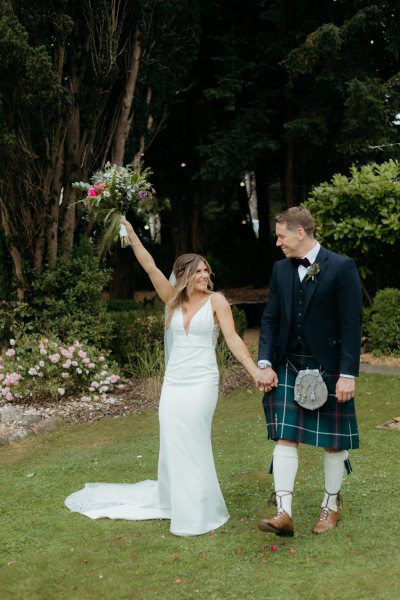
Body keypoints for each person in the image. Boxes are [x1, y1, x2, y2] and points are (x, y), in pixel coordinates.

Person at [65, 218, 258, 536]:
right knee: (172, 441)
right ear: (184, 276)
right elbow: (149, 265)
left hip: (202, 382)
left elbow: (234, 339)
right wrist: (129, 232)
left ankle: (199, 510)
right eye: (198, 271)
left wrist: (253, 370)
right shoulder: (172, 300)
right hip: (174, 384)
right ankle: (173, 500)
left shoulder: (217, 301)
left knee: (193, 440)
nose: (205, 276)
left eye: (207, 271)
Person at [256, 206, 362, 536]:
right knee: (286, 435)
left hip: (329, 367)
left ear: (300, 233)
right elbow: (271, 318)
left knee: (332, 442)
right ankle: (283, 512)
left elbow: (350, 323)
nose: (278, 243)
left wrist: (348, 373)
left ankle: (330, 507)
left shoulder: (341, 267)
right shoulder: (280, 270)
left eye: (281, 236)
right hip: (289, 363)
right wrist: (264, 362)